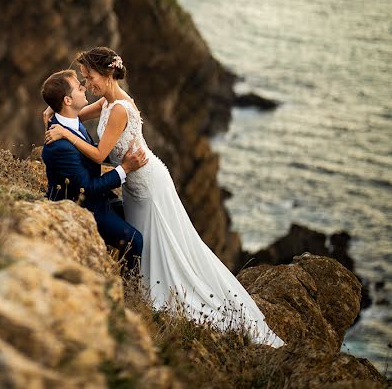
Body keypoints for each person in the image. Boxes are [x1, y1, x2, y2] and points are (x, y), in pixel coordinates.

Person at [44, 47, 284, 347]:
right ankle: (143, 289)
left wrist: (65, 135)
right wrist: (54, 114)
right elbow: (75, 112)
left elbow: (99, 154)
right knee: (147, 237)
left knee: (162, 239)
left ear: (105, 74)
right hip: (133, 181)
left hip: (146, 181)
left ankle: (163, 293)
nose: (86, 83)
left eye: (89, 77)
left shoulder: (119, 109)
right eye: (82, 80)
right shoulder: (108, 100)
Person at [40, 69, 148, 270]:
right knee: (135, 240)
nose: (84, 87)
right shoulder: (59, 145)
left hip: (101, 199)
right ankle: (129, 290)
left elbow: (90, 153)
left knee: (142, 217)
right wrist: (124, 169)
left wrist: (119, 155)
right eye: (78, 87)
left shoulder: (71, 121)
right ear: (68, 101)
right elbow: (87, 188)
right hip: (83, 208)